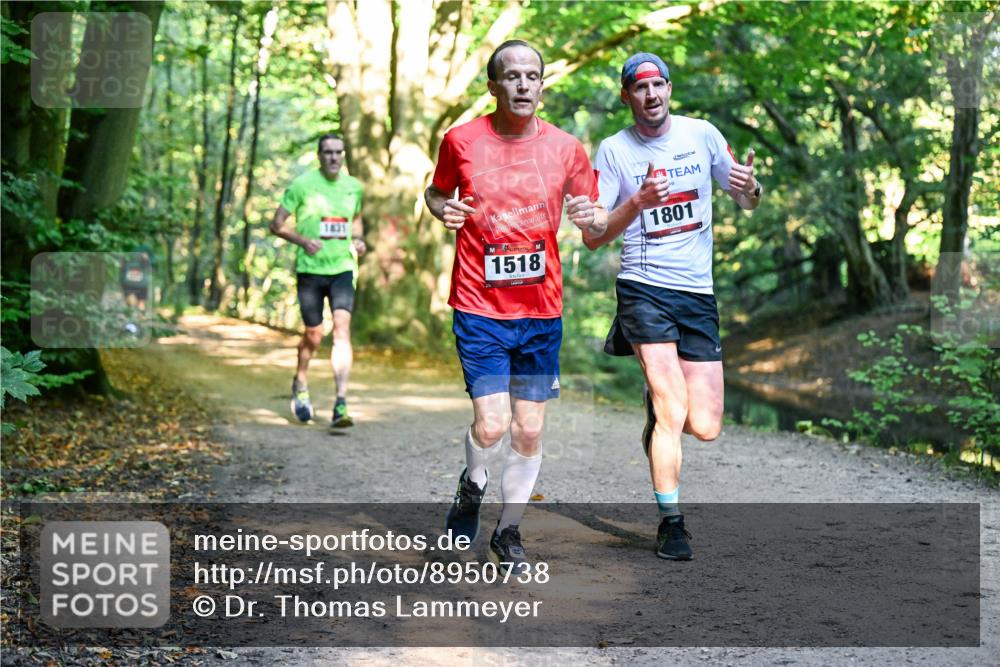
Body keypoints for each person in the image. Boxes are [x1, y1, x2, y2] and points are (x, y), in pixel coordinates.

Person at [424, 40, 606, 572]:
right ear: (493, 86)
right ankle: (471, 486)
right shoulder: (460, 140)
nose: (523, 84)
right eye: (512, 76)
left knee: (529, 430)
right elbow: (434, 192)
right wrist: (443, 208)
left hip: (541, 310)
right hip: (479, 306)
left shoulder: (567, 148)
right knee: (491, 426)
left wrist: (592, 213)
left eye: (532, 76)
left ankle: (508, 532)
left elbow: (591, 213)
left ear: (542, 85)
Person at [585, 53, 762, 560]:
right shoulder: (614, 150)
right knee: (672, 407)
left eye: (658, 85)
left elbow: (745, 197)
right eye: (639, 89)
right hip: (643, 288)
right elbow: (594, 233)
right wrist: (636, 202)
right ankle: (671, 522)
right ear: (626, 97)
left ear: (669, 88)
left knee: (704, 425)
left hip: (697, 293)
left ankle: (657, 411)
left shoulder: (701, 134)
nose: (651, 95)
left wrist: (752, 190)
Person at [269, 134, 366, 428]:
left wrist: (359, 240)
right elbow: (276, 224)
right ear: (319, 155)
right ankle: (300, 380)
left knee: (341, 331)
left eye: (338, 152)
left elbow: (357, 220)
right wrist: (303, 241)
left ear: (344, 155)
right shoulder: (302, 186)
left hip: (342, 269)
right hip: (310, 271)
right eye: (328, 152)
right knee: (314, 333)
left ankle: (340, 403)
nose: (334, 157)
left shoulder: (354, 187)